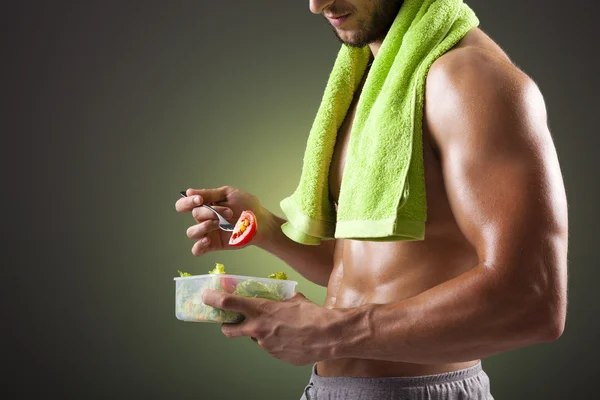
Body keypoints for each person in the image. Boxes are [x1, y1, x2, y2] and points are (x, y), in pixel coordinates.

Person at [175, 0, 568, 399]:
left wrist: (329, 332)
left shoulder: (470, 78)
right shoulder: (375, 81)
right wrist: (267, 229)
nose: (316, 5)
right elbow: (372, 269)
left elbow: (533, 299)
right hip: (328, 388)